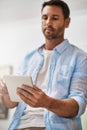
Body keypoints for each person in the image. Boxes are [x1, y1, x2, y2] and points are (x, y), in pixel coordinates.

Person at [0, 0, 87, 130]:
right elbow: (11, 103)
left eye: (55, 18)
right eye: (44, 18)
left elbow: (78, 106)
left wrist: (47, 102)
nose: (48, 23)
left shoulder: (79, 57)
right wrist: (6, 94)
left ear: (67, 22)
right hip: (18, 126)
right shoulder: (28, 58)